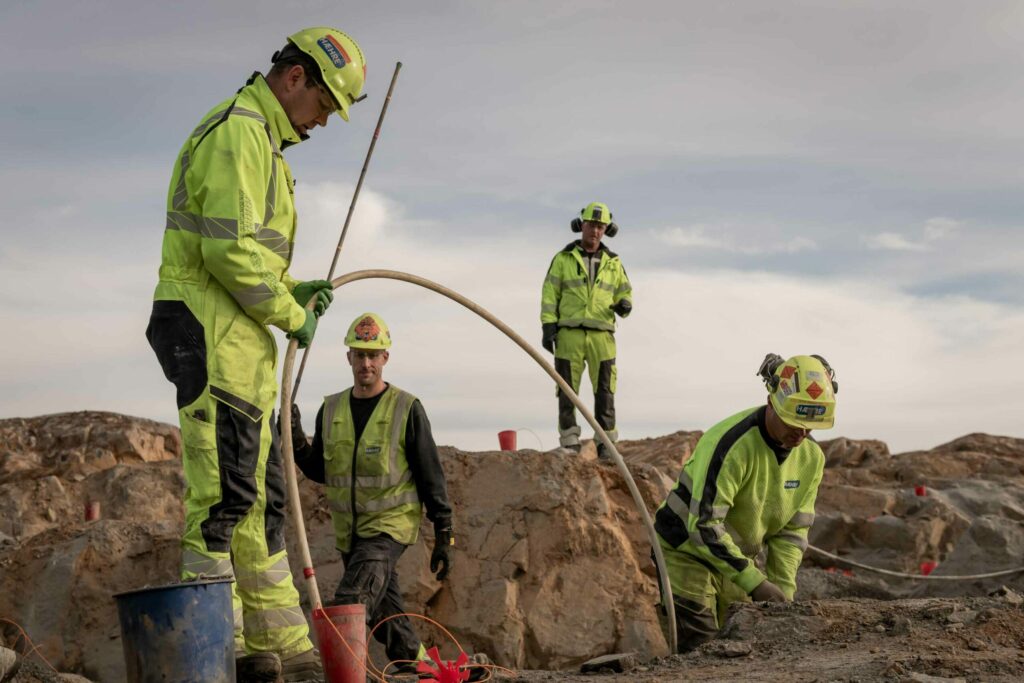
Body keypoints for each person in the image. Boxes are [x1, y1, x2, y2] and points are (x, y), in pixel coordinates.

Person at [145, 27, 367, 682]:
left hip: (239, 343)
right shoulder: (239, 133)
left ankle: (281, 649)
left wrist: (290, 288)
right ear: (295, 78)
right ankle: (220, 655)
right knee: (221, 501)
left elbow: (250, 254)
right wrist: (292, 313)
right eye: (325, 104)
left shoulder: (264, 146)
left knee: (257, 501)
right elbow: (228, 252)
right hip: (211, 335)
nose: (324, 121)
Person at [287, 313, 458, 677]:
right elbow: (321, 469)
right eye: (360, 354)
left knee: (352, 600)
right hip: (350, 532)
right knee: (388, 612)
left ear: (385, 358)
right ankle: (420, 662)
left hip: (388, 527)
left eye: (373, 354)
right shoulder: (330, 408)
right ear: (348, 356)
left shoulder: (406, 408)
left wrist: (445, 531)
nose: (366, 362)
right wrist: (298, 439)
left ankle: (344, 677)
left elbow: (431, 472)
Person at [653, 354, 838, 652]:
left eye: (810, 426)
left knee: (738, 651)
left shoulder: (811, 458)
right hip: (685, 551)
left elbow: (791, 534)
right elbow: (704, 526)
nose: (801, 433)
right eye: (794, 421)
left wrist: (782, 593)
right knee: (700, 652)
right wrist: (755, 583)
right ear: (772, 402)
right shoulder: (731, 444)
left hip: (734, 555)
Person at [540, 202, 633, 460]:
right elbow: (550, 293)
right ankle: (569, 441)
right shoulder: (562, 259)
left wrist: (625, 304)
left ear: (607, 230)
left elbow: (625, 290)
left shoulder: (614, 263)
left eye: (600, 226)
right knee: (566, 389)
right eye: (592, 225)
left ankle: (606, 444)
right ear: (581, 225)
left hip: (602, 335)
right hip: (568, 333)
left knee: (605, 391)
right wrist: (548, 326)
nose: (595, 231)